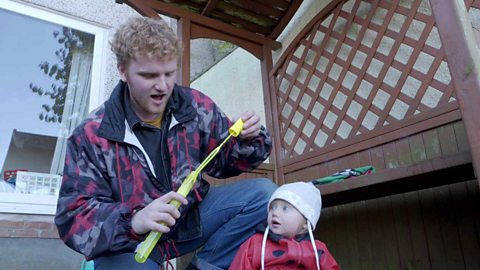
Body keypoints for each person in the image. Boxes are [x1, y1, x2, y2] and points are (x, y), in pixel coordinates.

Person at [54, 16, 277, 270]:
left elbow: (226, 162)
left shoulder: (194, 106)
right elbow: (72, 217)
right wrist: (134, 221)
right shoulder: (92, 134)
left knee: (264, 195)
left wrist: (250, 137)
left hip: (192, 219)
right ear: (123, 70)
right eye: (149, 75)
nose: (162, 86)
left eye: (169, 73)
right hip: (131, 243)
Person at [230, 182, 339, 270]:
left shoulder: (317, 250)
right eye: (272, 208)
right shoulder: (255, 244)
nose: (275, 213)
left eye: (285, 208)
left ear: (306, 223)